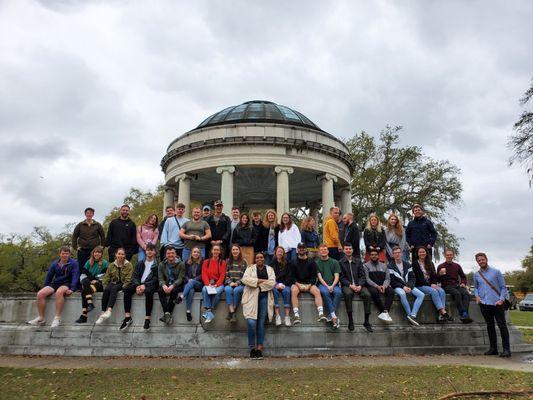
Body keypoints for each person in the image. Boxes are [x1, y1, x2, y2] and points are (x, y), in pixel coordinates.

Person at [28, 246, 79, 328]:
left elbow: (75, 276)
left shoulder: (74, 263)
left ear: (69, 254)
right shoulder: (55, 263)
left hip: (67, 283)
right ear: (60, 254)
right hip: (56, 282)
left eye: (67, 254)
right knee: (40, 294)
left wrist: (72, 289)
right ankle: (41, 318)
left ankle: (57, 318)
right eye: (63, 253)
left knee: (59, 292)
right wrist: (44, 287)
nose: (65, 255)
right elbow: (49, 276)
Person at [473, 252, 511, 357]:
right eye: (479, 260)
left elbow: (503, 287)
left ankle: (506, 350)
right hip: (484, 304)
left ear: (486, 259)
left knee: (502, 326)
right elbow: (476, 287)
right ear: (477, 262)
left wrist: (501, 299)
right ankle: (493, 348)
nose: (481, 261)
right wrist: (477, 296)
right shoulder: (476, 274)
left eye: (482, 259)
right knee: (490, 326)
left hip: (497, 303)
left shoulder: (496, 272)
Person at [241, 252, 276, 360]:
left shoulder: (269, 269)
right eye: (257, 257)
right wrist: (261, 281)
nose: (259, 259)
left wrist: (257, 285)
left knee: (260, 324)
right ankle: (252, 348)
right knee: (251, 322)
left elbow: (272, 282)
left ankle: (259, 349)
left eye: (261, 257)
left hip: (264, 297)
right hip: (251, 297)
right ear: (255, 259)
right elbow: (245, 279)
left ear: (264, 259)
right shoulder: (250, 268)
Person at [95, 248, 134, 327]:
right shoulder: (112, 265)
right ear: (116, 254)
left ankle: (109, 310)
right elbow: (107, 277)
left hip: (123, 283)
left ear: (125, 255)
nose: (120, 255)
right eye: (119, 254)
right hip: (114, 282)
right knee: (107, 289)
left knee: (114, 288)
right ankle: (102, 313)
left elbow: (128, 279)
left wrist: (123, 287)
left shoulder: (128, 264)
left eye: (122, 254)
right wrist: (105, 285)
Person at [412, 246, 452, 323]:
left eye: (423, 252)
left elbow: (433, 276)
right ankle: (443, 312)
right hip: (420, 285)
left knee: (442, 291)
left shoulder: (430, 263)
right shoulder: (415, 263)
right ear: (417, 254)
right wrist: (430, 285)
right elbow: (417, 278)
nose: (422, 253)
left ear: (426, 253)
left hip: (430, 285)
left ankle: (441, 316)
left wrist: (433, 283)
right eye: (420, 252)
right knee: (434, 291)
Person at [388, 246, 425, 326]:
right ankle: (409, 315)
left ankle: (413, 315)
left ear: (401, 254)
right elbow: (392, 281)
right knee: (402, 294)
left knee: (421, 294)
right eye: (395, 253)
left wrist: (409, 286)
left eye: (399, 252)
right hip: (397, 287)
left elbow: (412, 277)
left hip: (408, 285)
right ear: (393, 255)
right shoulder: (390, 266)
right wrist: (403, 287)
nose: (397, 254)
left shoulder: (407, 265)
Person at [339, 243, 373, 332]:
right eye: (346, 249)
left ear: (352, 250)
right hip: (348, 285)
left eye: (350, 249)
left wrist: (360, 285)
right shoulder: (341, 262)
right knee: (348, 293)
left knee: (367, 294)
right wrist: (350, 285)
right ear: (344, 250)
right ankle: (350, 320)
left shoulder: (358, 261)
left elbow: (363, 276)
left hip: (359, 285)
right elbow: (341, 277)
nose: (348, 250)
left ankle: (366, 321)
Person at [290, 243, 325, 324]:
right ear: (297, 250)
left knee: (317, 291)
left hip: (309, 284)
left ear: (306, 249)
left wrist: (309, 285)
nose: (301, 249)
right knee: (294, 290)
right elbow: (291, 276)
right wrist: (298, 284)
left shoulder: (311, 262)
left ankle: (321, 313)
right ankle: (296, 316)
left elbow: (314, 276)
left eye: (303, 248)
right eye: (300, 248)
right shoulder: (293, 261)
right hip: (297, 284)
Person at [126, 243, 159, 330]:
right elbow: (135, 276)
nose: (149, 252)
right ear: (145, 251)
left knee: (149, 292)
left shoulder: (157, 264)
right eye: (148, 250)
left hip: (150, 284)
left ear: (154, 252)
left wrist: (145, 285)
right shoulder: (140, 263)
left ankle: (147, 318)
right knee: (127, 290)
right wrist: (137, 286)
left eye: (151, 250)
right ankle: (127, 316)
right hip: (139, 284)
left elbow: (156, 278)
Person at [437, 250, 473, 323]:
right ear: (445, 256)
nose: (449, 256)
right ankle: (462, 313)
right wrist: (440, 274)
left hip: (456, 285)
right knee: (457, 294)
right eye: (448, 255)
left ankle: (465, 314)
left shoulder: (457, 266)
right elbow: (437, 280)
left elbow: (463, 276)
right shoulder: (441, 266)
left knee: (466, 294)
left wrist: (463, 283)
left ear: (453, 256)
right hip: (446, 286)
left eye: (451, 255)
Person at [75, 246, 108, 323]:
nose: (97, 254)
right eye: (95, 252)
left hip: (98, 284)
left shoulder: (104, 263)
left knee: (84, 290)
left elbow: (104, 275)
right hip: (89, 283)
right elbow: (84, 273)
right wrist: (91, 279)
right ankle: (89, 304)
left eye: (99, 252)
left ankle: (84, 315)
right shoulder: (88, 262)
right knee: (85, 285)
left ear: (101, 254)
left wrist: (95, 280)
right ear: (93, 253)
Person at [315, 244, 342, 329]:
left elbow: (337, 276)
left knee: (338, 292)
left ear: (328, 251)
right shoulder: (316, 263)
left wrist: (332, 286)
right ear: (319, 252)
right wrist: (327, 286)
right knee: (325, 292)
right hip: (322, 285)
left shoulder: (334, 262)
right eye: (321, 250)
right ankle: (334, 316)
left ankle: (330, 315)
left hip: (334, 284)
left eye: (325, 249)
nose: (323, 251)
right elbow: (319, 277)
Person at [364, 248, 394, 323]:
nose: (374, 256)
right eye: (372, 255)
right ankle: (383, 311)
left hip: (383, 285)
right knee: (374, 292)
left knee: (391, 291)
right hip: (372, 286)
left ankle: (385, 311)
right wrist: (377, 286)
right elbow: (367, 279)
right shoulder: (365, 266)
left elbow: (387, 279)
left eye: (375, 255)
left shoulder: (384, 265)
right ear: (369, 256)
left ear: (378, 256)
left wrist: (384, 286)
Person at [157, 246, 185, 325]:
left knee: (174, 291)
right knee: (160, 291)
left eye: (172, 253)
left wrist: (173, 285)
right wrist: (163, 285)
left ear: (175, 254)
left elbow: (181, 278)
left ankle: (166, 313)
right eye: (168, 253)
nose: (170, 255)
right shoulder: (161, 264)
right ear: (166, 255)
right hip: (166, 284)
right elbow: (160, 278)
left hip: (176, 285)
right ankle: (167, 313)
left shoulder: (181, 264)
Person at [201, 244, 226, 323]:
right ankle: (209, 312)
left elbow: (222, 275)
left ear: (220, 252)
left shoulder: (223, 262)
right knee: (205, 290)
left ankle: (209, 311)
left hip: (218, 283)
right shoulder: (206, 262)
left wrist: (216, 285)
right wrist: (208, 284)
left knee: (217, 292)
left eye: (217, 250)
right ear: (211, 251)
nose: (216, 251)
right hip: (208, 283)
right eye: (214, 250)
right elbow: (204, 274)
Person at [224, 244, 247, 322]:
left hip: (240, 284)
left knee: (236, 291)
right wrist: (230, 283)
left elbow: (245, 276)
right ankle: (233, 313)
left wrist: (237, 283)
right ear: (231, 251)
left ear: (239, 251)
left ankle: (231, 313)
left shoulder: (244, 262)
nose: (235, 251)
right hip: (229, 284)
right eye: (233, 250)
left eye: (236, 249)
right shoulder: (227, 261)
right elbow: (225, 275)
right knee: (227, 290)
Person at [180, 247, 204, 322]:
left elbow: (202, 275)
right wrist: (188, 280)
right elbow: (184, 274)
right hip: (188, 284)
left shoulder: (203, 262)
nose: (196, 253)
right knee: (191, 290)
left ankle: (181, 296)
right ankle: (188, 311)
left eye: (197, 252)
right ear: (191, 253)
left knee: (192, 283)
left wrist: (193, 280)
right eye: (194, 252)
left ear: (200, 254)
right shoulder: (187, 262)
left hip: (199, 284)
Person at [271, 246, 292, 327]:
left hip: (285, 284)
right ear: (275, 253)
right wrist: (276, 284)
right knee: (274, 292)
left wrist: (283, 284)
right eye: (278, 251)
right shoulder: (272, 263)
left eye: (281, 252)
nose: (279, 253)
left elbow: (290, 276)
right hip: (275, 284)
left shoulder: (288, 263)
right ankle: (277, 316)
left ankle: (287, 317)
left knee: (287, 291)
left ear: (283, 253)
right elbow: (270, 276)